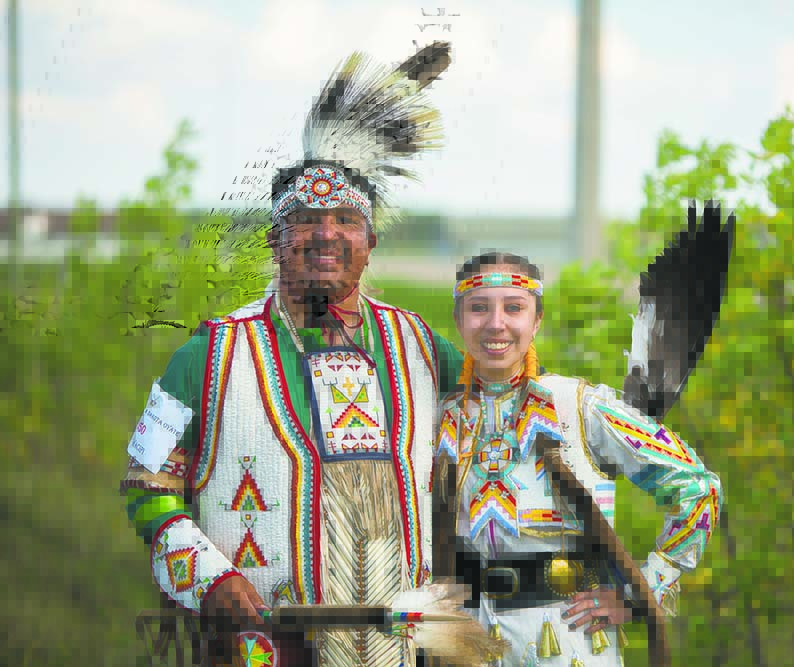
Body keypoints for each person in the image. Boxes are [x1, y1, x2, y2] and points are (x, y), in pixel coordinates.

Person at [121, 45, 466, 667]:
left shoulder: (421, 349)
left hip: (403, 647)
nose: (326, 234)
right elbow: (147, 484)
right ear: (275, 241)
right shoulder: (209, 356)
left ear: (371, 243)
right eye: (305, 219)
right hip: (258, 649)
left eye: (345, 220)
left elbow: (507, 426)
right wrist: (209, 578)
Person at [435, 252, 724, 666]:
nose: (496, 323)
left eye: (513, 307)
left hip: (567, 639)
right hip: (466, 644)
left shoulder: (580, 406)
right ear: (459, 319)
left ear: (536, 320)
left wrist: (642, 591)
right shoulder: (440, 419)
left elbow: (698, 489)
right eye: (479, 307)